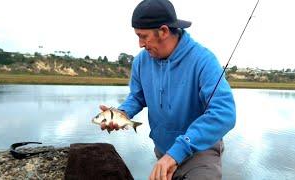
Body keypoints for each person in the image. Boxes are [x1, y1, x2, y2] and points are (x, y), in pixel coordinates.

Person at [100, 0, 236, 179]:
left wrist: (179, 150)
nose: (140, 44)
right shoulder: (141, 61)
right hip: (163, 152)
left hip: (200, 153)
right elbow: (137, 96)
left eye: (143, 36)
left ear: (163, 31)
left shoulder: (204, 61)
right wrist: (121, 113)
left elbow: (225, 113)